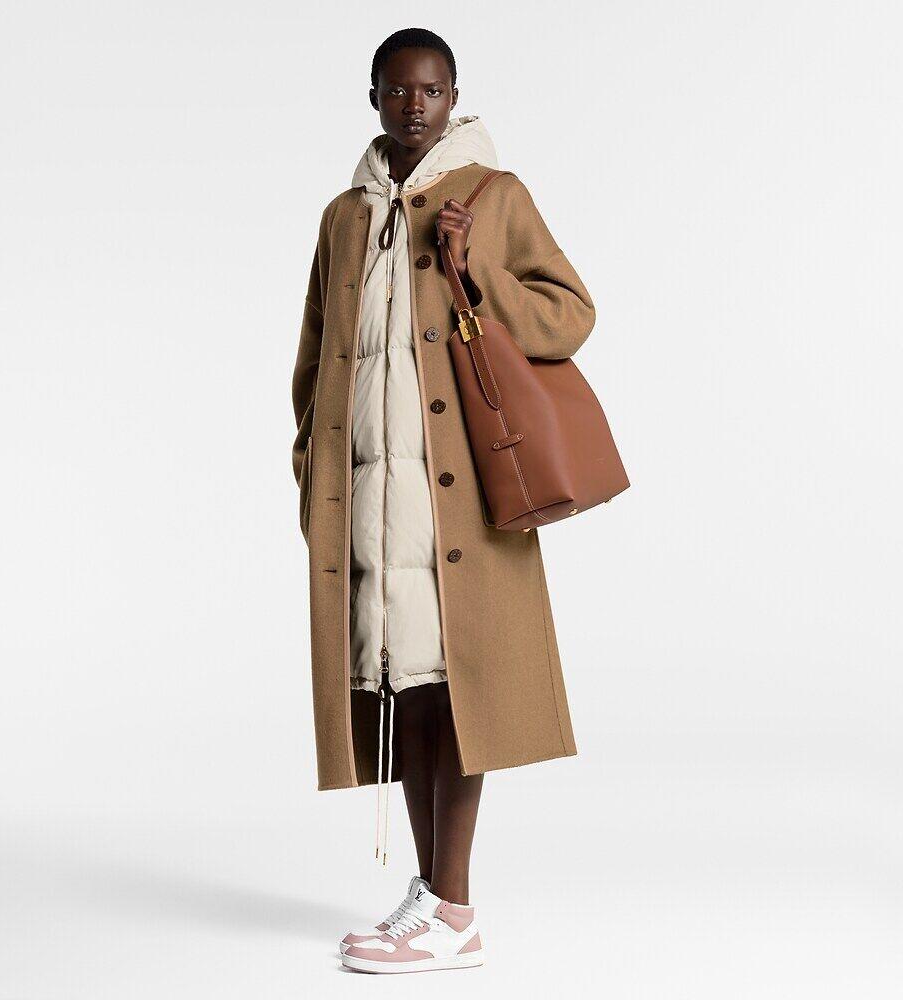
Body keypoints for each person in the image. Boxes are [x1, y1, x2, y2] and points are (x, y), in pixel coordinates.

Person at [290, 27, 596, 974]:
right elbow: (315, 354)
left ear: (454, 97)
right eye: (397, 90)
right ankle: (432, 899)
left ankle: (454, 911)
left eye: (430, 91)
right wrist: (311, 467)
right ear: (374, 97)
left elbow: (570, 314)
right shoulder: (345, 217)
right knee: (408, 696)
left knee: (461, 694)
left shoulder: (493, 197)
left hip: (453, 503)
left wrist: (478, 270)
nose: (414, 106)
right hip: (367, 502)